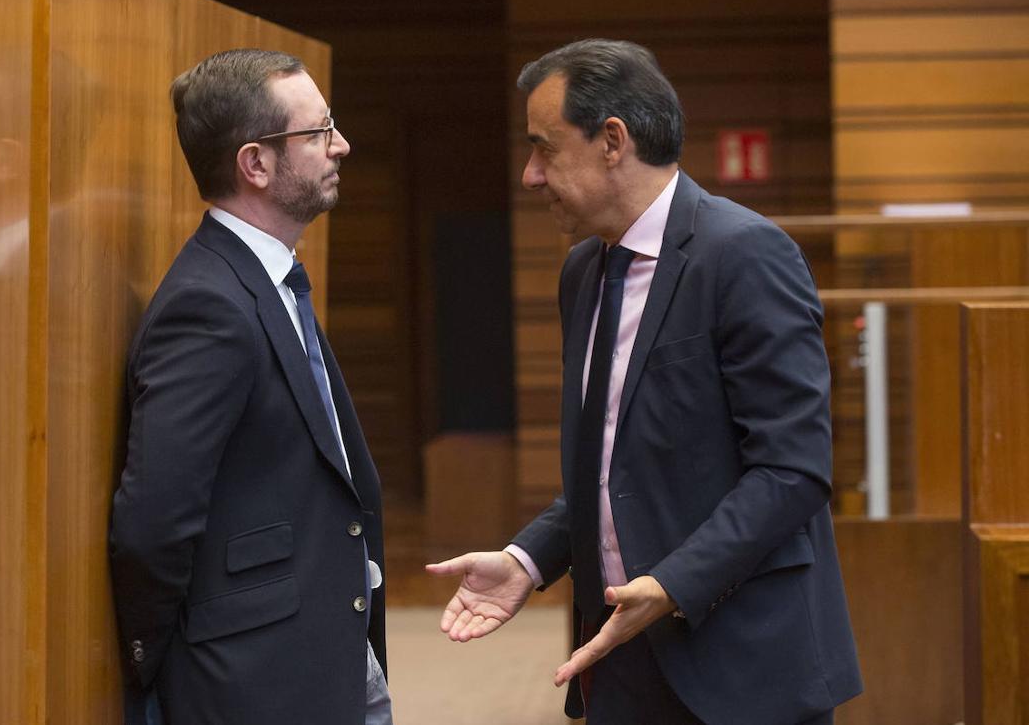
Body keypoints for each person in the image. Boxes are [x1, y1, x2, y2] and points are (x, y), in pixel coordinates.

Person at [427, 39, 862, 725]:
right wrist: (529, 559)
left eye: (544, 148)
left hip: (743, 664)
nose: (529, 176)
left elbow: (793, 470)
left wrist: (672, 585)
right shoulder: (583, 273)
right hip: (620, 659)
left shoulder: (744, 254)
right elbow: (613, 470)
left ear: (612, 140)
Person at [110, 49, 391, 725]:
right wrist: (153, 666)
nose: (341, 146)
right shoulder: (207, 305)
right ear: (256, 164)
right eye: (319, 132)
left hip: (326, 647)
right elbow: (155, 520)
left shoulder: (267, 277)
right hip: (255, 681)